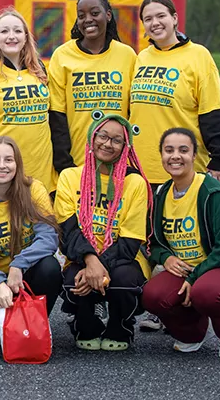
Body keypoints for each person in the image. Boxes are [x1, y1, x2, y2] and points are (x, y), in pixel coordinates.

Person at [142, 128, 220, 359]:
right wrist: (165, 258)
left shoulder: (213, 193)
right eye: (169, 150)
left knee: (207, 293)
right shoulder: (162, 193)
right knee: (152, 295)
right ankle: (192, 333)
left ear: (194, 156)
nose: (175, 156)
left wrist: (194, 276)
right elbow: (153, 241)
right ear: (161, 156)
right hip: (187, 269)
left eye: (183, 150)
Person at [55, 113, 153, 351]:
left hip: (122, 258)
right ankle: (86, 324)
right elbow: (68, 232)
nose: (108, 144)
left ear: (125, 147)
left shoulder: (135, 183)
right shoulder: (69, 177)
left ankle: (121, 326)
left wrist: (98, 268)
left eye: (117, 140)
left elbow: (130, 242)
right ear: (91, 138)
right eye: (103, 136)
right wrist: (91, 263)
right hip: (81, 255)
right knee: (72, 282)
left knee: (123, 282)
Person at [0, 136, 62, 344]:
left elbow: (48, 236)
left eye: (9, 160)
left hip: (26, 272)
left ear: (17, 164)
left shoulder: (33, 189)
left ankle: (36, 323)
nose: (2, 166)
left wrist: (19, 264)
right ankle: (4, 322)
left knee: (50, 268)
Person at [130, 0, 220, 187]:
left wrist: (219, 157)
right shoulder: (141, 57)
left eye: (161, 16)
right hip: (141, 169)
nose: (155, 23)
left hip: (182, 168)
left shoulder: (198, 55)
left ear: (174, 18)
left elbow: (212, 111)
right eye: (148, 19)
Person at [0, 8, 56, 193]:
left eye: (17, 31)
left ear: (25, 37)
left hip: (42, 175)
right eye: (4, 31)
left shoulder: (41, 73)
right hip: (1, 177)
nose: (11, 36)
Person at [49, 0, 136, 172]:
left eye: (94, 13)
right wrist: (65, 164)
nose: (87, 19)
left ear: (108, 15)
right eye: (81, 15)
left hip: (118, 165)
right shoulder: (62, 55)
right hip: (76, 164)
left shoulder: (127, 55)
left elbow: (133, 111)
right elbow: (57, 115)